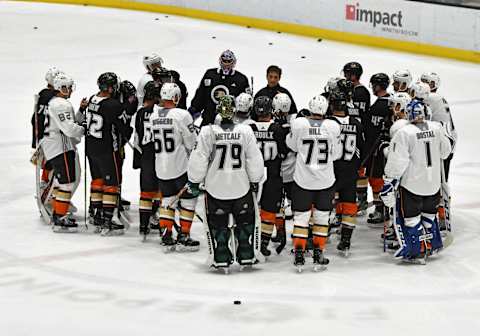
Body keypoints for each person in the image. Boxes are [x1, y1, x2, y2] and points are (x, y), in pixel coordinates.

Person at [187, 95, 264, 271]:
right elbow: (254, 158)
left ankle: (221, 254)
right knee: (245, 222)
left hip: (216, 189)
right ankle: (246, 253)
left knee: (218, 225)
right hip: (241, 187)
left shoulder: (208, 131)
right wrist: (255, 180)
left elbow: (199, 158)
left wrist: (194, 180)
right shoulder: (245, 131)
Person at [380, 100, 452, 263]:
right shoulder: (436, 128)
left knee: (411, 219)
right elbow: (445, 152)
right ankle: (432, 244)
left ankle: (416, 250)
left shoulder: (404, 132)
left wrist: (389, 183)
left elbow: (398, 161)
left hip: (412, 184)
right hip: (433, 184)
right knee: (429, 215)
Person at [286, 94, 342, 270]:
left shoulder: (300, 124)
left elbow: (292, 146)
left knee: (301, 218)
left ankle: (300, 253)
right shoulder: (332, 127)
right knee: (321, 218)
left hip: (303, 181)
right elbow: (337, 154)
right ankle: (319, 252)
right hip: (325, 181)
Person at [149, 82, 199, 251]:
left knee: (167, 200)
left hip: (161, 168)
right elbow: (191, 142)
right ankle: (184, 235)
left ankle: (166, 233)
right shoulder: (182, 115)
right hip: (180, 167)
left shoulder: (153, 116)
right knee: (189, 200)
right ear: (176, 97)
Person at [85, 72, 133, 236]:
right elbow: (124, 127)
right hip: (107, 150)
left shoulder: (92, 99)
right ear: (112, 87)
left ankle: (96, 214)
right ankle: (108, 220)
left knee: (97, 181)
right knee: (111, 183)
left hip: (91, 148)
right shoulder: (113, 105)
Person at [42, 73, 85, 232]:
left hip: (55, 146)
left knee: (64, 182)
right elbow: (69, 129)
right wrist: (83, 129)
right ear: (62, 88)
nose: (70, 90)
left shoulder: (54, 102)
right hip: (60, 147)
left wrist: (80, 111)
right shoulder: (61, 104)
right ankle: (59, 217)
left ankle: (58, 212)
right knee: (67, 182)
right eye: (67, 87)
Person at [249, 96, 289, 257]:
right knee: (269, 210)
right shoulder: (277, 129)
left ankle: (249, 240)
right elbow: (285, 152)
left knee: (251, 209)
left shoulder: (249, 128)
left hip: (252, 175)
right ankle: (263, 243)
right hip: (272, 176)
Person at [327, 86, 365, 256]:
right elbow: (361, 148)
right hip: (350, 170)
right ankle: (346, 240)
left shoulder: (328, 124)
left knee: (323, 204)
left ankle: (319, 233)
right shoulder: (356, 124)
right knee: (349, 203)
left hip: (332, 170)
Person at [189, 50, 250, 126]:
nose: (226, 64)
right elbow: (200, 95)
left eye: (229, 61)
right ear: (220, 61)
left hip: (230, 123)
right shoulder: (210, 74)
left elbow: (246, 102)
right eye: (224, 61)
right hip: (209, 120)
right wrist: (194, 109)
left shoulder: (241, 79)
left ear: (233, 62)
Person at [342, 62, 371, 215]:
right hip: (351, 131)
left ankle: (361, 197)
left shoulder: (361, 92)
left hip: (357, 132)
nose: (345, 76)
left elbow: (359, 114)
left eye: (347, 73)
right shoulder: (353, 91)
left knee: (359, 166)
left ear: (353, 75)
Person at [133, 81, 161, 237]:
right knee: (160, 189)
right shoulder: (164, 112)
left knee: (145, 191)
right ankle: (156, 218)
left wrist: (139, 158)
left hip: (146, 155)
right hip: (161, 155)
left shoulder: (141, 113)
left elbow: (137, 138)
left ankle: (143, 225)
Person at [364, 73, 392, 225]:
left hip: (377, 149)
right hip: (389, 148)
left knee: (376, 178)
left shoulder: (378, 107)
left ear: (377, 86)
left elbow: (371, 130)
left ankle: (381, 209)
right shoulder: (392, 101)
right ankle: (384, 208)